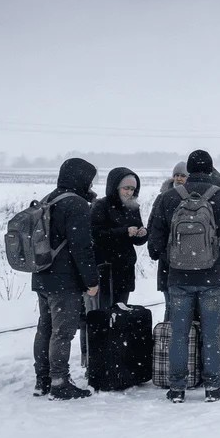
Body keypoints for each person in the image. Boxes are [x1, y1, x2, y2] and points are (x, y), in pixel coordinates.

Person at [147, 150, 220, 403]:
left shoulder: (169, 197)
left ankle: (177, 388)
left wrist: (170, 259)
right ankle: (212, 386)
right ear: (211, 170)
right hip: (213, 278)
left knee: (179, 333)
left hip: (179, 278)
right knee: (212, 333)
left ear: (188, 170)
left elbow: (155, 239)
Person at [32, 158, 100, 400]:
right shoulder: (76, 204)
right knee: (62, 333)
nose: (91, 184)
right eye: (89, 179)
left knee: (45, 329)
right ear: (80, 178)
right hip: (64, 280)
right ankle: (59, 382)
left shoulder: (49, 199)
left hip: (42, 275)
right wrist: (91, 281)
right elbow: (82, 247)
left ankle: (42, 379)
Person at [89, 167, 147, 305]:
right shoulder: (101, 206)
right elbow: (96, 234)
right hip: (106, 267)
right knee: (104, 310)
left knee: (122, 310)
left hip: (125, 268)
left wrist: (142, 234)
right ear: (115, 187)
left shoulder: (133, 207)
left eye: (132, 189)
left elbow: (137, 240)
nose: (129, 192)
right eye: (126, 188)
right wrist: (124, 232)